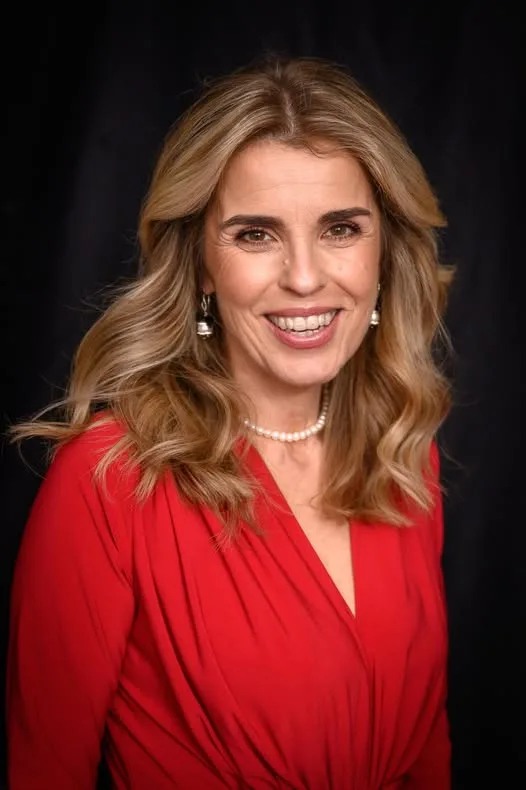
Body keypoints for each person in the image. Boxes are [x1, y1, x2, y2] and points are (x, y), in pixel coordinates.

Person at [6, 53, 455, 789]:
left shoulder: (404, 456)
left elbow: (427, 751)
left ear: (385, 253)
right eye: (256, 235)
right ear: (201, 266)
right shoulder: (110, 481)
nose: (305, 277)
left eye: (341, 229)